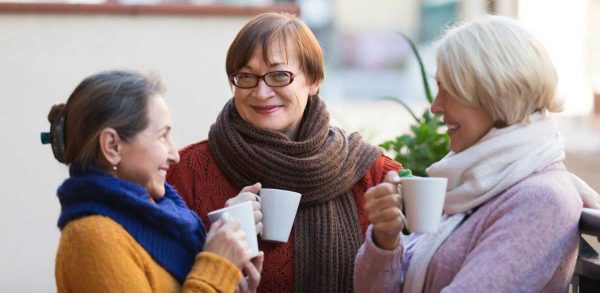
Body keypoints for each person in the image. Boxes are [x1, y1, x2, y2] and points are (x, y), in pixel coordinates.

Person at [354, 15, 597, 292]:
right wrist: (386, 240)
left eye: (449, 90)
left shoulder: (540, 199)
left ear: (495, 92)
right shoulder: (471, 182)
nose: (435, 107)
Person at [167, 12, 401, 292]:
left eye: (279, 75)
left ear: (314, 80)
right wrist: (217, 240)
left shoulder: (375, 175)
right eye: (246, 76)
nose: (262, 92)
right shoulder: (187, 172)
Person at [43, 70, 263, 292]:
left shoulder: (159, 219)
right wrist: (217, 270)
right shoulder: (93, 238)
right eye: (162, 136)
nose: (174, 154)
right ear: (112, 146)